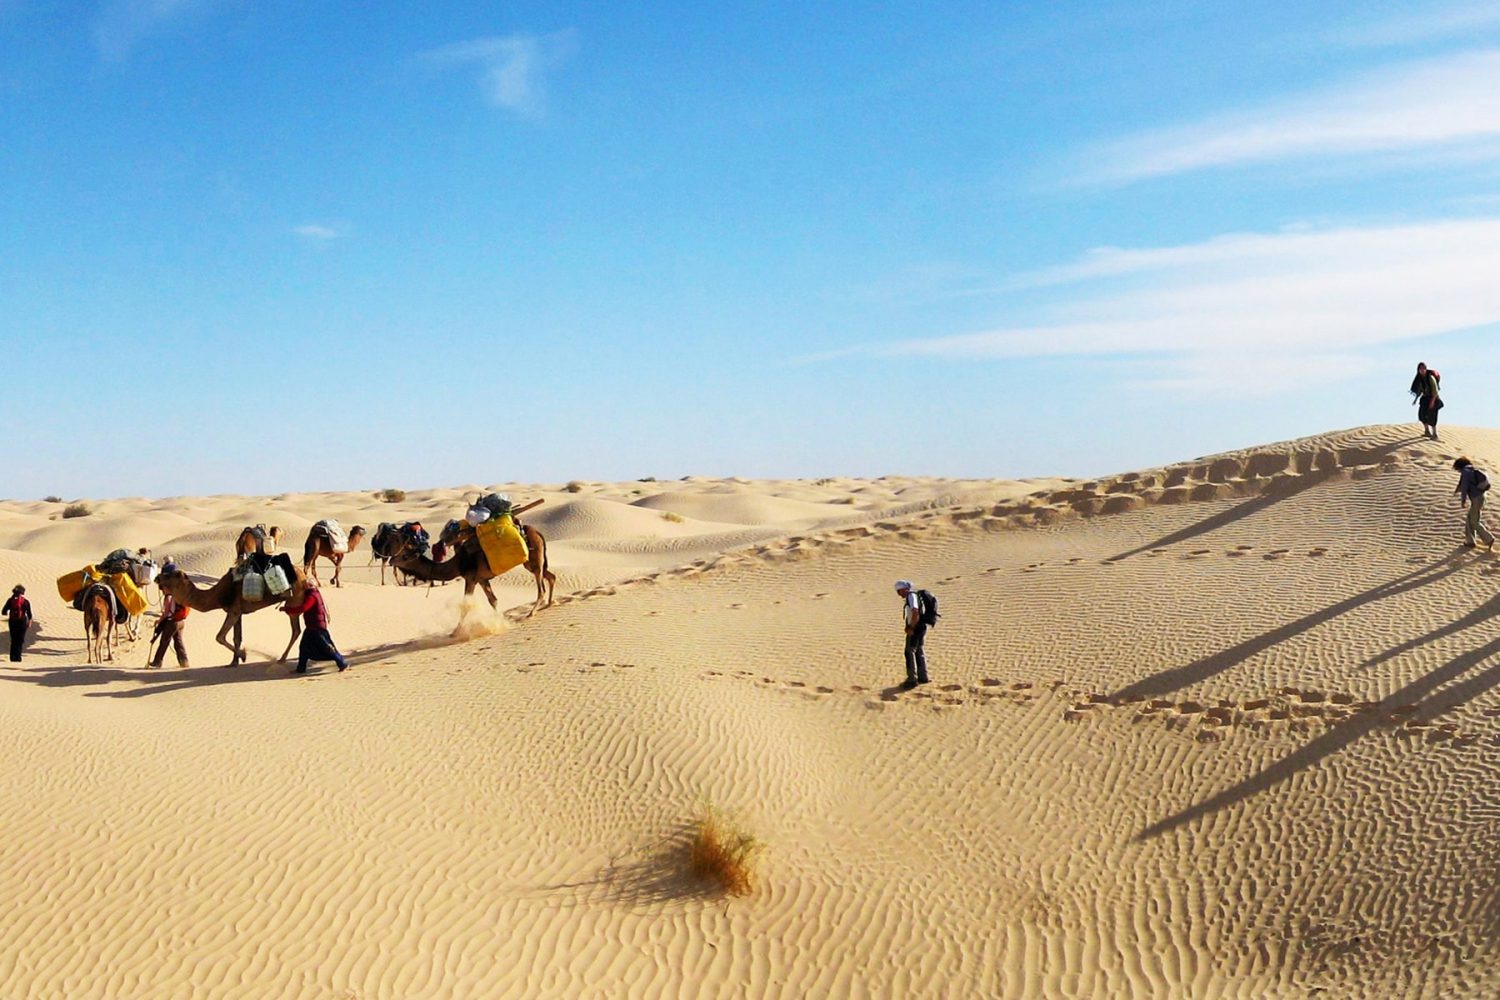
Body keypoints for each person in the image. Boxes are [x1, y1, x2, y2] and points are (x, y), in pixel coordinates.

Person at [281, 583, 348, 674]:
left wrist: (287, 610)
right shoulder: (312, 594)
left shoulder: (312, 596)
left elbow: (304, 608)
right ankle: (301, 668)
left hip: (317, 628)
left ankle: (343, 664)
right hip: (311, 627)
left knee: (328, 648)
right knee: (303, 648)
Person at [148, 574, 190, 669]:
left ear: (166, 588)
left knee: (164, 642)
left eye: (162, 589)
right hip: (181, 622)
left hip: (172, 622)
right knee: (178, 642)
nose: (162, 591)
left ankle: (157, 662)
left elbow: (167, 613)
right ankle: (184, 662)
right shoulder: (178, 595)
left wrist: (159, 621)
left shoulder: (169, 597)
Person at [1454, 458, 1495, 551]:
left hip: (1477, 499)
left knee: (1474, 521)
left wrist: (1463, 501)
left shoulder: (1465, 472)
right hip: (1482, 497)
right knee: (1470, 519)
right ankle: (1470, 541)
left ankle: (1489, 539)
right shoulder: (1472, 469)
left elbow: (1464, 487)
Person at [895, 580, 930, 689]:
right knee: (918, 650)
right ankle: (923, 677)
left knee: (909, 651)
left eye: (899, 591)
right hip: (920, 627)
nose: (899, 594)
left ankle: (912, 680)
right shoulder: (913, 596)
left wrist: (911, 627)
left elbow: (915, 611)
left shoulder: (911, 597)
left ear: (904, 589)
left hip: (916, 628)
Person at [1410, 363, 1442, 440]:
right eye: (1420, 369)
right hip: (1425, 398)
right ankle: (1427, 431)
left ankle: (1435, 434)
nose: (1422, 370)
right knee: (1421, 415)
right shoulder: (1419, 378)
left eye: (1424, 368)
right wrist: (1415, 399)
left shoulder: (1430, 378)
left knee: (1432, 416)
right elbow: (1420, 390)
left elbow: (1435, 391)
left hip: (1433, 398)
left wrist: (1432, 402)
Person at [2, 585, 33, 662]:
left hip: (12, 622)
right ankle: (18, 657)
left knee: (13, 640)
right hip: (22, 622)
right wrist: (29, 622)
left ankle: (12, 657)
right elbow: (29, 614)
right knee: (20, 640)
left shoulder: (10, 600)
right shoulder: (25, 601)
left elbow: (3, 611)